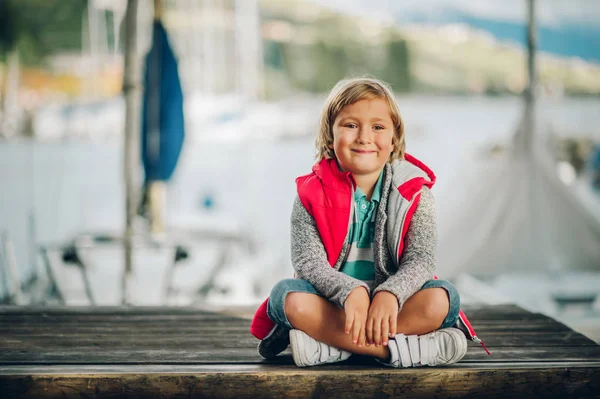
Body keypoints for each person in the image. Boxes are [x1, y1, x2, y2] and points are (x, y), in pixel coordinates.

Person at [250, 77, 481, 368]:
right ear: (329, 135)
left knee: (443, 298)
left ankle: (334, 347)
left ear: (394, 137)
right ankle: (397, 351)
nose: (364, 136)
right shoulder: (310, 193)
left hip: (393, 309)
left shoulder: (415, 195)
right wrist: (351, 291)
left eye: (378, 127)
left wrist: (390, 294)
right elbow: (308, 262)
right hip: (334, 306)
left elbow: (420, 261)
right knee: (286, 296)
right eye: (350, 125)